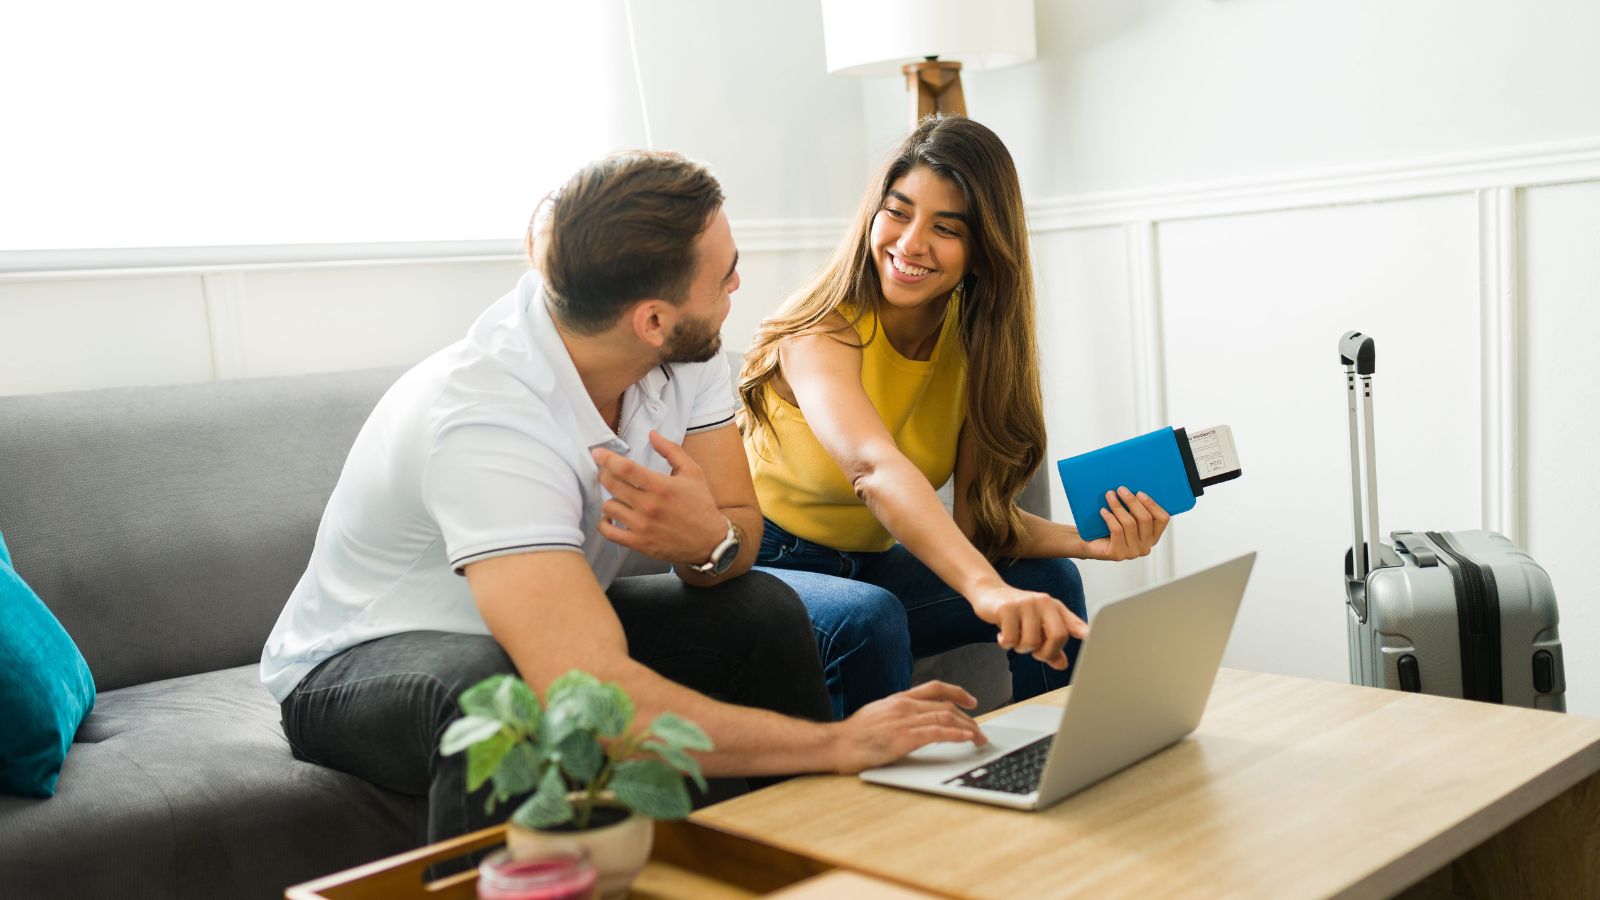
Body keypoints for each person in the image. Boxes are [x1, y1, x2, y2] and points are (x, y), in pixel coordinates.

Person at [260, 150, 986, 847]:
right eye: (726, 275)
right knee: (497, 698)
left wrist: (710, 545)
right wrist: (838, 741)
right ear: (651, 319)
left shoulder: (686, 350)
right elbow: (592, 698)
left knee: (759, 611)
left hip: (534, 623)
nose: (739, 286)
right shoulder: (486, 420)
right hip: (353, 661)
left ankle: (804, 862)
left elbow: (737, 539)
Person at [738, 117, 1171, 719]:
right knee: (870, 618)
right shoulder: (821, 328)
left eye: (946, 228)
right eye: (898, 211)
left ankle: (1055, 766)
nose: (911, 243)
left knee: (1049, 583)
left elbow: (978, 521)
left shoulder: (973, 348)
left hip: (867, 565)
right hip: (766, 567)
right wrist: (986, 590)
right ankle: (886, 811)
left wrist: (1093, 543)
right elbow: (872, 468)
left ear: (981, 250)